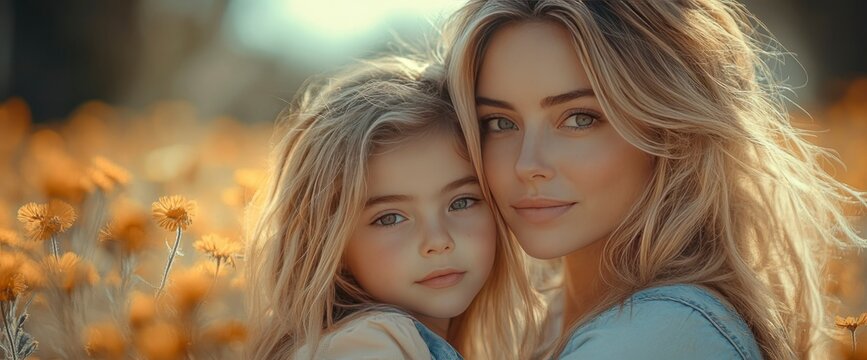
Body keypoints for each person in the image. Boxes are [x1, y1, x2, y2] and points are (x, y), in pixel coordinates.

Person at [442, 1, 866, 358]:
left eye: (579, 118)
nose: (526, 163)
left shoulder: (660, 334)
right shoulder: (547, 322)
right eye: (498, 122)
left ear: (668, 130)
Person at [244, 55, 541, 359]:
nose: (438, 242)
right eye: (390, 218)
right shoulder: (368, 345)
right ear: (331, 244)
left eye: (461, 202)